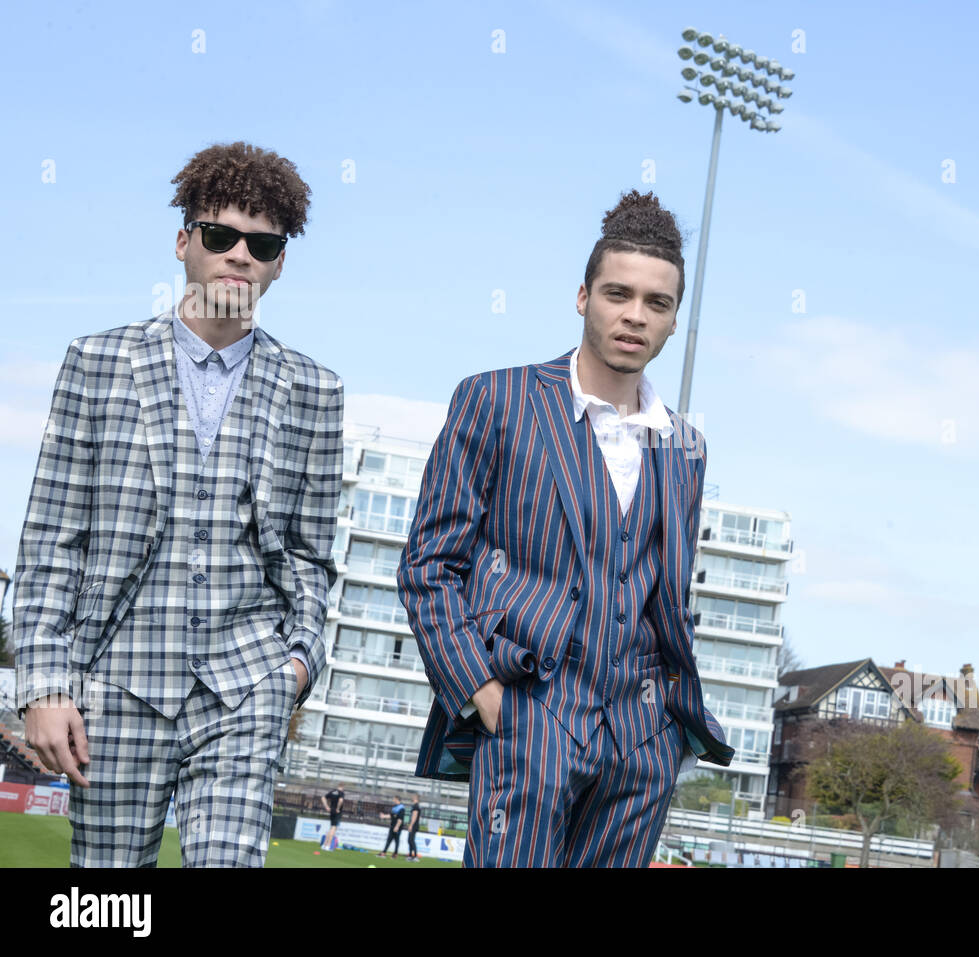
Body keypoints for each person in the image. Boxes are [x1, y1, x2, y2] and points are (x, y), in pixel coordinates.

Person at [12, 142, 344, 867]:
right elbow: (49, 545)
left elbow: (315, 558)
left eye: (262, 243)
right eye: (221, 235)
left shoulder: (316, 391)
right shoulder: (97, 363)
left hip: (246, 686)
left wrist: (295, 666)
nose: (240, 256)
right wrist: (43, 684)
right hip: (117, 684)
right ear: (184, 241)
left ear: (280, 260)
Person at [397, 189, 734, 868]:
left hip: (639, 745)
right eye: (618, 293)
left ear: (673, 322)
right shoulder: (496, 399)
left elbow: (663, 598)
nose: (634, 315)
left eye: (657, 303)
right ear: (583, 297)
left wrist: (665, 734)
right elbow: (429, 565)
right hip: (528, 717)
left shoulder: (687, 449)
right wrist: (484, 696)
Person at [320, 784, 346, 852]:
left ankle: (324, 845)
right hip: (337, 812)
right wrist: (338, 808)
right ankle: (328, 846)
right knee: (333, 829)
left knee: (331, 828)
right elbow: (340, 800)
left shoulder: (332, 792)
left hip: (331, 811)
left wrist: (326, 806)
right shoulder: (341, 793)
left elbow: (323, 798)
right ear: (342, 787)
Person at [405, 795, 422, 860]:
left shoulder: (416, 806)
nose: (412, 797)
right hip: (414, 825)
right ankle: (410, 855)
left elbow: (414, 817)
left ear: (416, 798)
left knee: (411, 840)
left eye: (413, 797)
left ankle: (415, 856)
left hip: (414, 825)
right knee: (410, 840)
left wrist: (411, 825)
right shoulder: (415, 806)